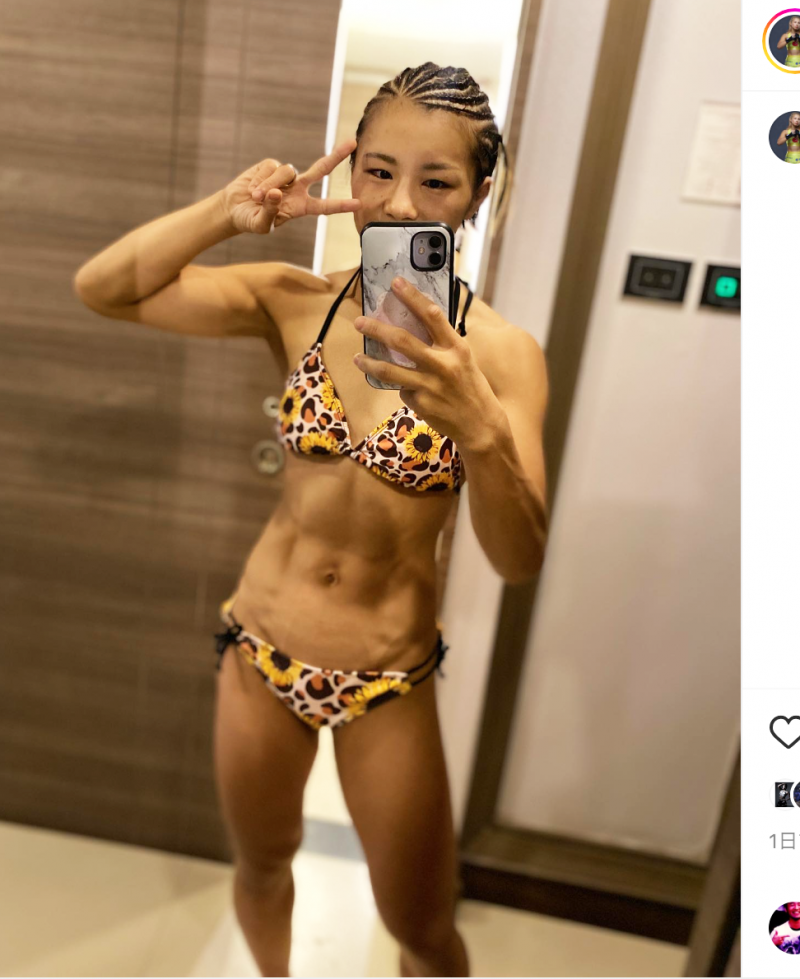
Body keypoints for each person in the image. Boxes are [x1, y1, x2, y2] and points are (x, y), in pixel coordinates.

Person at [73, 62, 548, 978]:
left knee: (423, 929)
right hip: (261, 651)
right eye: (378, 171)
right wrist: (227, 214)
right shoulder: (293, 301)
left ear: (479, 194)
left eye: (436, 180)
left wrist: (483, 432)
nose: (399, 204)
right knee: (261, 869)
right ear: (351, 171)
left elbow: (518, 558)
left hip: (387, 679)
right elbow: (105, 287)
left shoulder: (502, 356)